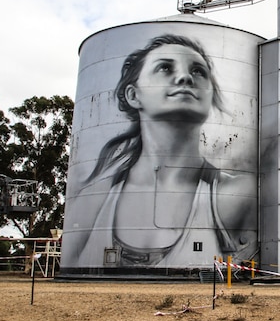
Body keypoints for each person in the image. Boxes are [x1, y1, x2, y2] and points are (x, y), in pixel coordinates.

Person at [64, 33, 255, 268]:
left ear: (210, 95)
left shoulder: (238, 195)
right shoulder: (93, 200)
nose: (185, 77)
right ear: (133, 95)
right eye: (165, 68)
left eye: (198, 71)